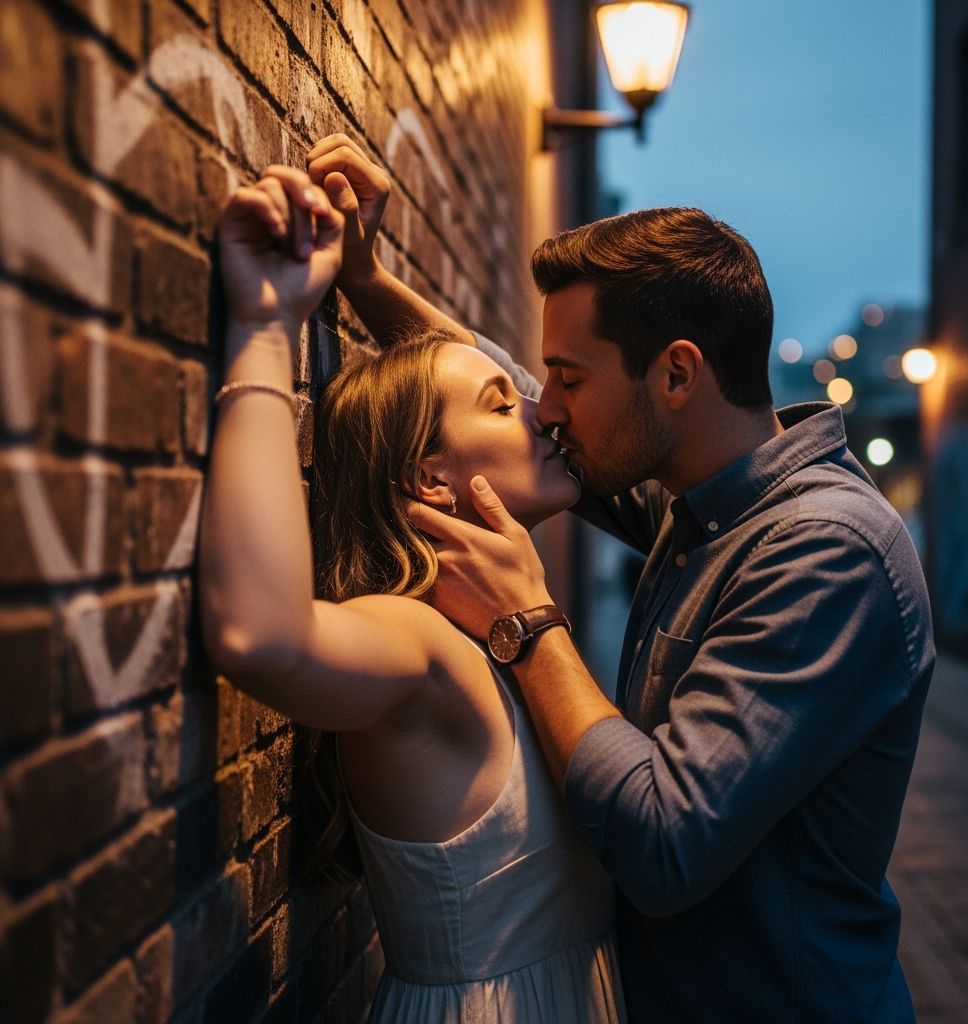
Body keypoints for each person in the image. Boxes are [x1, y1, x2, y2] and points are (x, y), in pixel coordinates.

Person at [307, 133, 936, 1023]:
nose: (546, 410)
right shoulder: (699, 498)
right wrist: (366, 281)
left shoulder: (824, 549)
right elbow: (505, 402)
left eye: (569, 379)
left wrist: (528, 624)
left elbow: (662, 843)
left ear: (676, 374)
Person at [198, 164, 628, 1022]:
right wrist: (262, 330)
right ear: (431, 479)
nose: (546, 415)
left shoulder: (492, 627)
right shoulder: (418, 635)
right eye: (506, 404)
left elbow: (457, 382)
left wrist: (367, 279)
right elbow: (261, 636)